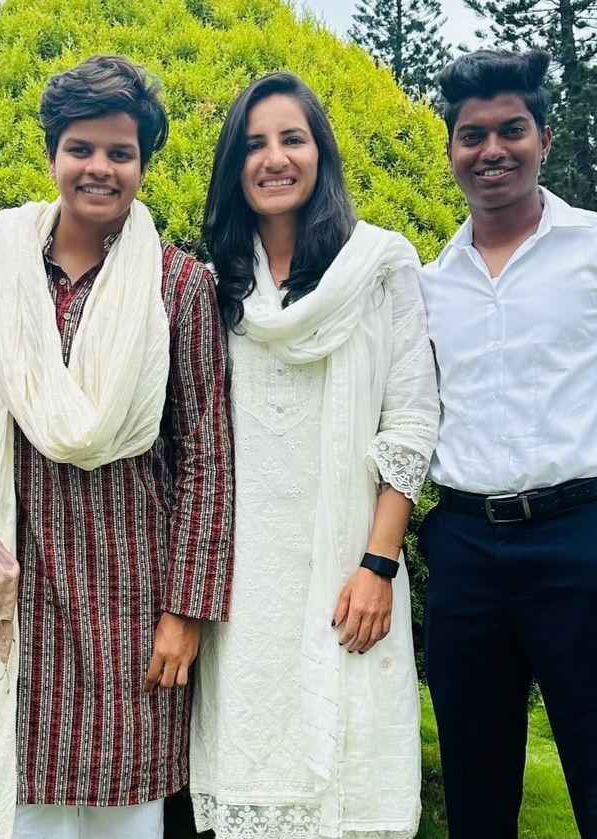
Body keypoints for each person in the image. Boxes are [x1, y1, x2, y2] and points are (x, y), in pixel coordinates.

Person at [0, 55, 234, 839]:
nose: (99, 168)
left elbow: (208, 456)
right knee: (20, 808)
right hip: (15, 595)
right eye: (82, 148)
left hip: (132, 604)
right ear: (51, 155)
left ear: (143, 163)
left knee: (129, 815)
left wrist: (186, 610)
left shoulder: (179, 286)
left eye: (120, 152)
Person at [419, 50, 597, 839]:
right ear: (451, 150)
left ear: (544, 135)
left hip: (583, 540)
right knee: (477, 797)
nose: (492, 150)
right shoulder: (430, 279)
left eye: (512, 129)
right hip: (467, 550)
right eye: (472, 135)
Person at [189, 72, 438, 839]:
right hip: (244, 594)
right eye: (254, 143)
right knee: (254, 777)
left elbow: (412, 420)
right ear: (234, 166)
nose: (274, 158)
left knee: (353, 779)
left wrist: (378, 564)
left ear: (320, 152)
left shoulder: (381, 265)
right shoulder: (209, 286)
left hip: (350, 574)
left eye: (292, 138)